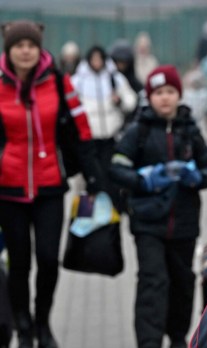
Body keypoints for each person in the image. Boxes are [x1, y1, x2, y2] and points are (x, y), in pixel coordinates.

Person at [0, 19, 102, 348]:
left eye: (31, 45)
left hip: (50, 186)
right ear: (9, 50)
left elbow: (81, 129)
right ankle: (24, 327)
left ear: (39, 47)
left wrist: (93, 176)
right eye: (19, 46)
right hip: (9, 187)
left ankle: (43, 322)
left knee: (47, 258)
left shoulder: (59, 82)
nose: (26, 51)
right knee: (19, 261)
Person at [109, 65, 207, 348]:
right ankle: (149, 341)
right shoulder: (138, 130)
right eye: (158, 93)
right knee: (153, 282)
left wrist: (196, 177)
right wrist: (143, 180)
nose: (165, 98)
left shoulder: (190, 129)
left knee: (182, 282)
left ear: (178, 94)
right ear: (149, 97)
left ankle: (178, 337)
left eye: (170, 91)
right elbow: (117, 167)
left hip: (184, 223)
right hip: (147, 223)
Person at [71, 45, 138, 210]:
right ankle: (85, 218)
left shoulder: (114, 78)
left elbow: (131, 100)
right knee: (88, 181)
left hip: (111, 137)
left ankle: (111, 217)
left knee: (110, 179)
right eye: (93, 59)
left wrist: (119, 102)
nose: (97, 62)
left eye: (99, 59)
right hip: (88, 138)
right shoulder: (78, 80)